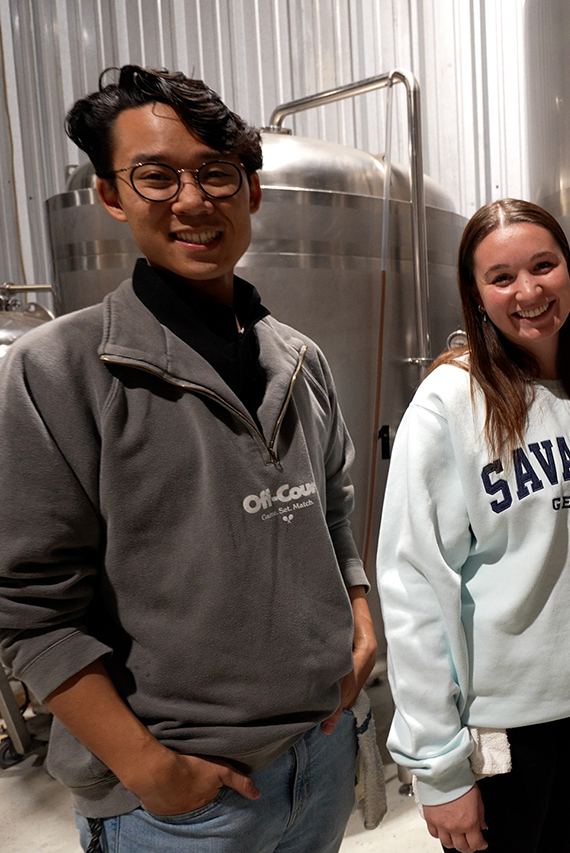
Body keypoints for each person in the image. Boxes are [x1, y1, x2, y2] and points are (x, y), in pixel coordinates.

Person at [0, 66, 375, 851]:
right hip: (183, 807)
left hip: (324, 757)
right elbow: (29, 607)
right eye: (157, 177)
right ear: (111, 195)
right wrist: (148, 770)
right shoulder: (57, 372)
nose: (194, 201)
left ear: (252, 192)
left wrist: (360, 619)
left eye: (216, 174)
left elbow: (334, 508)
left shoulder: (298, 358)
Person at [377, 198, 570, 853]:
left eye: (544, 266)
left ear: (569, 269)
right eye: (501, 277)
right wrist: (437, 764)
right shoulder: (450, 400)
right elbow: (413, 580)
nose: (529, 291)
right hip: (501, 726)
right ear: (476, 295)